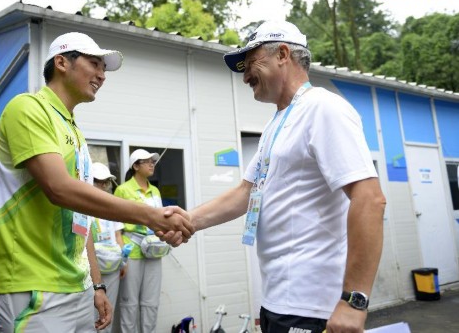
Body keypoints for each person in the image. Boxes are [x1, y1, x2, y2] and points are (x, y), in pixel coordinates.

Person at [161, 21, 386, 333]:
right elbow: (246, 193)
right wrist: (190, 220)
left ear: (283, 54)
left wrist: (353, 300)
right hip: (276, 301)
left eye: (250, 63)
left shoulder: (323, 107)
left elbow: (370, 199)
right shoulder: (277, 123)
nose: (244, 78)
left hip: (312, 305)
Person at [0, 32, 193, 332]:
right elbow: (60, 190)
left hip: (78, 288)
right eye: (94, 64)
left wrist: (96, 285)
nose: (101, 75)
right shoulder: (28, 108)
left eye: (104, 68)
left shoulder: (75, 131)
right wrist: (151, 216)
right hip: (32, 286)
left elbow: (79, 217)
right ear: (61, 62)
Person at [114, 149, 167, 333]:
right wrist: (123, 257)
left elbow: (161, 220)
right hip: (132, 252)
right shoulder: (122, 190)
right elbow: (116, 226)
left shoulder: (155, 191)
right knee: (129, 303)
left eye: (153, 161)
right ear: (135, 166)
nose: (152, 164)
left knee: (151, 302)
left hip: (154, 251)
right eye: (147, 161)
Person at [90, 162, 125, 333]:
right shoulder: (81, 204)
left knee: (108, 309)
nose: (103, 186)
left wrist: (123, 263)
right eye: (99, 181)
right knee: (90, 313)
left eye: (106, 182)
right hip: (90, 267)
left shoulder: (112, 205)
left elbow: (118, 235)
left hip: (112, 266)